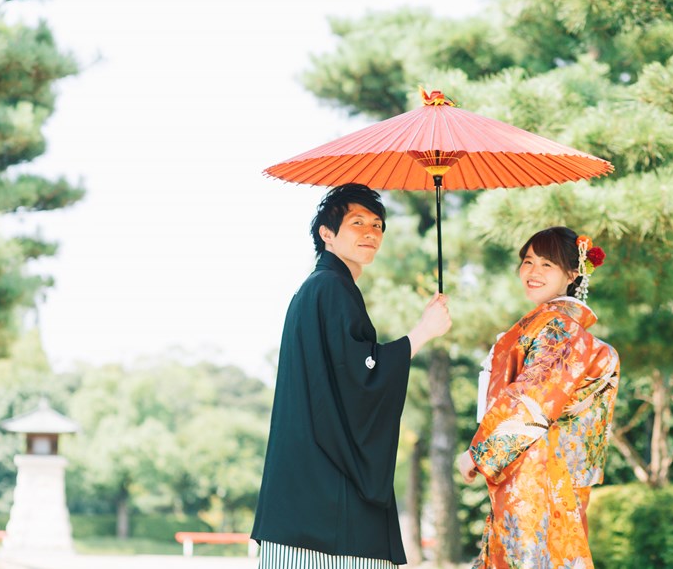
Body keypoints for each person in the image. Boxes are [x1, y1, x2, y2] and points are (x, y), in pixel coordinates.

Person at [251, 183, 452, 568]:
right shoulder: (331, 287)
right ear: (327, 233)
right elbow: (361, 377)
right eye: (357, 222)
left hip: (302, 489)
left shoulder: (321, 287)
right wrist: (423, 332)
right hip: (325, 498)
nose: (371, 232)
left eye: (377, 225)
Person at [456, 226, 620, 569]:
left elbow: (533, 398)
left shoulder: (560, 328)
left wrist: (480, 453)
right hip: (544, 470)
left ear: (572, 274)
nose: (533, 271)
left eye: (547, 264)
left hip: (538, 473)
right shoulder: (554, 326)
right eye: (528, 261)